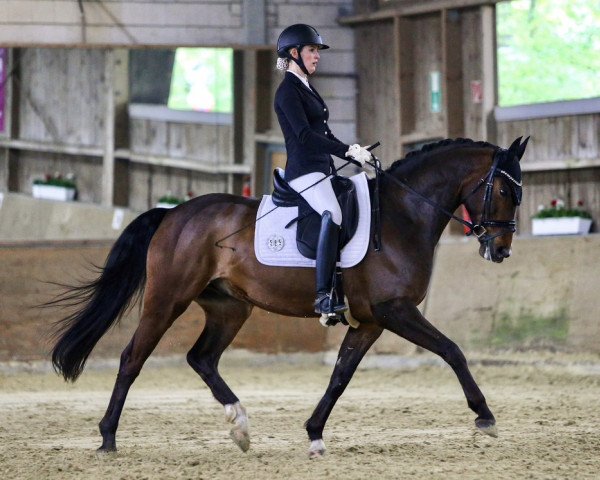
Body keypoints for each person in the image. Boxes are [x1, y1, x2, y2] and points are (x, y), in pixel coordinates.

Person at [273, 23, 371, 319]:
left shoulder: (306, 87)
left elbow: (324, 133)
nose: (317, 56)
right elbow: (304, 135)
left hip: (321, 169)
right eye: (312, 50)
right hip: (304, 172)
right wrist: (344, 151)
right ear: (294, 53)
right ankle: (324, 297)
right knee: (334, 214)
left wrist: (353, 151)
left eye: (317, 51)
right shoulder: (287, 91)